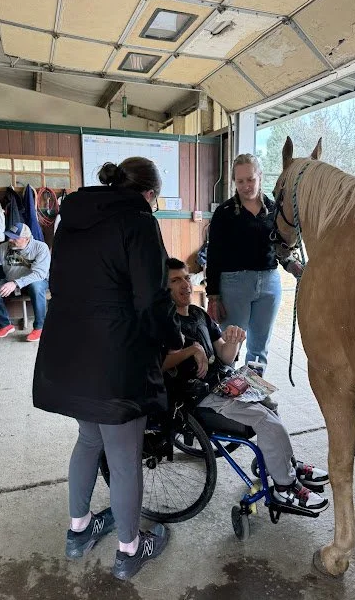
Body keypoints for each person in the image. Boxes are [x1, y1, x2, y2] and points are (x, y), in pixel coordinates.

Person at [33, 157, 182, 581]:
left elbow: (59, 285)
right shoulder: (138, 222)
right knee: (123, 459)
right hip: (115, 359)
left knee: (87, 440)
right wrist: (176, 340)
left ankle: (78, 531)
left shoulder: (71, 218)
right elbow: (151, 300)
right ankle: (130, 551)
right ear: (149, 194)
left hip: (70, 352)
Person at [165, 258, 329, 513]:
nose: (185, 284)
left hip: (224, 381)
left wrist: (233, 340)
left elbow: (224, 356)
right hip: (199, 398)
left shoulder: (198, 313)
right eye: (175, 281)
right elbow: (158, 364)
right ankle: (284, 488)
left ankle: (284, 464)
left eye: (186, 278)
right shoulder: (166, 324)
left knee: (271, 405)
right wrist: (192, 349)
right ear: (164, 290)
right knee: (266, 420)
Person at [206, 153, 303, 367]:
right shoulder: (224, 213)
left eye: (250, 179)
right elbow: (213, 255)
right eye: (240, 181)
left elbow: (281, 248)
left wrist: (294, 266)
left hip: (269, 284)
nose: (246, 185)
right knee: (230, 345)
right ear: (234, 182)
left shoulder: (274, 209)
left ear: (259, 176)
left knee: (259, 348)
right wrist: (213, 296)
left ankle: (254, 395)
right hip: (234, 285)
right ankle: (227, 393)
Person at [0, 222, 50, 342]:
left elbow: (40, 274)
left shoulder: (40, 247)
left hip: (35, 281)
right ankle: (5, 325)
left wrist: (16, 283)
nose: (10, 240)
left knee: (36, 287)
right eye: (9, 236)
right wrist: (13, 283)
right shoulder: (4, 247)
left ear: (26, 238)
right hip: (12, 281)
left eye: (14, 238)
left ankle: (39, 327)